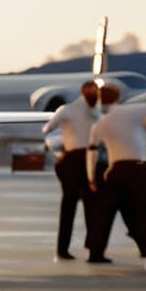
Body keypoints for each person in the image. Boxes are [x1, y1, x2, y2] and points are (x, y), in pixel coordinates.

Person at [87, 85, 146, 263]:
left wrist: (91, 178)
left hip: (114, 171)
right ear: (118, 96)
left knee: (103, 215)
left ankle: (95, 253)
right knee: (142, 212)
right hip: (137, 169)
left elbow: (92, 152)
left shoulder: (99, 124)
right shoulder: (135, 111)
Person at [44, 80, 102, 260]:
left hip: (79, 159)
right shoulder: (72, 111)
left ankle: (72, 248)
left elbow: (48, 130)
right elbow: (49, 129)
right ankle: (90, 248)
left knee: (77, 207)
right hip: (80, 160)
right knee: (88, 206)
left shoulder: (92, 112)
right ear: (85, 92)